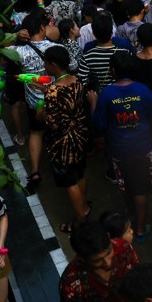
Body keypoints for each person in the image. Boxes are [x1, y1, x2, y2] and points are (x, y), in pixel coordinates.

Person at [91, 50, 152, 240]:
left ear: (112, 70)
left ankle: (131, 217)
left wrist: (93, 103)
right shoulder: (142, 90)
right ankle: (140, 228)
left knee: (125, 185)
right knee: (141, 187)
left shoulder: (106, 94)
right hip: (142, 148)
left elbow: (99, 124)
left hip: (118, 150)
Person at [41, 45, 90, 232]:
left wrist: (42, 114)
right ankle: (83, 208)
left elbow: (54, 123)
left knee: (70, 181)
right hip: (80, 135)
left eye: (46, 63)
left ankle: (80, 221)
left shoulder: (53, 92)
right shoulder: (77, 80)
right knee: (81, 173)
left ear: (53, 64)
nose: (44, 66)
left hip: (63, 143)